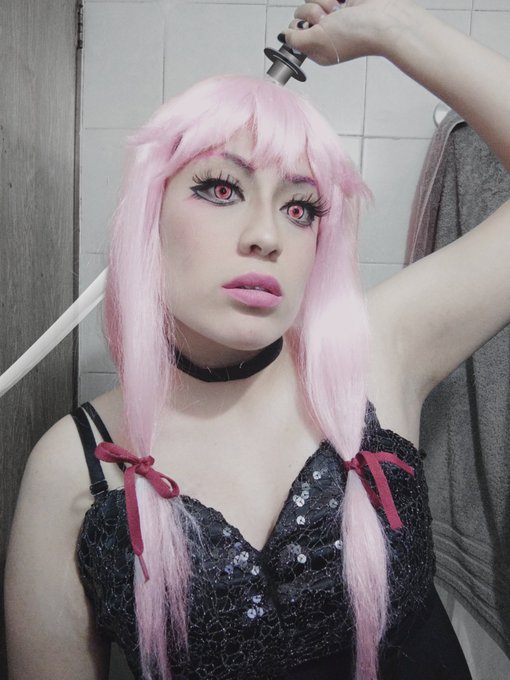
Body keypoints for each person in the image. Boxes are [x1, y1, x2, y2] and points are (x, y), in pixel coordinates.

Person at [5, 1, 510, 678]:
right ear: (149, 218)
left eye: (300, 207)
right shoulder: (71, 467)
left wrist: (391, 30)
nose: (268, 236)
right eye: (221, 189)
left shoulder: (375, 353)